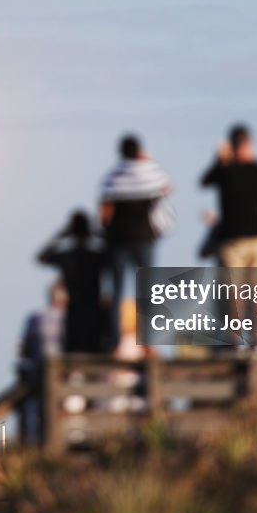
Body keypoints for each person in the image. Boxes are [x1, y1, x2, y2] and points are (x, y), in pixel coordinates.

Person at [99, 135, 172, 351]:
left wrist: (107, 233)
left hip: (118, 241)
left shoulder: (113, 177)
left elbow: (105, 213)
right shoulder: (148, 174)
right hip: (144, 240)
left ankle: (114, 341)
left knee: (117, 291)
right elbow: (167, 186)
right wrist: (148, 160)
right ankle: (148, 339)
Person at [199, 124, 257, 268]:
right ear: (250, 143)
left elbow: (203, 182)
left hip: (232, 240)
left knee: (233, 290)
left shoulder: (224, 171)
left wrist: (219, 160)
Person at [36, 211, 107, 353]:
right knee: (95, 355)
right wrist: (97, 232)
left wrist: (61, 235)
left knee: (71, 356)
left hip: (73, 312)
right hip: (94, 311)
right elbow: (116, 251)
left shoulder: (67, 256)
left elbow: (41, 257)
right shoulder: (96, 256)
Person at [17, 281, 67, 443]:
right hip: (64, 380)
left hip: (37, 377)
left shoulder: (36, 318)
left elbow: (23, 351)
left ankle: (30, 446)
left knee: (31, 413)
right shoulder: (69, 322)